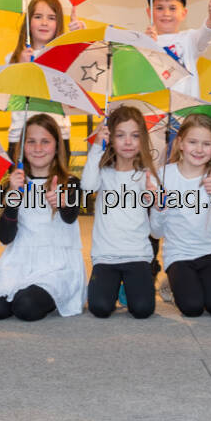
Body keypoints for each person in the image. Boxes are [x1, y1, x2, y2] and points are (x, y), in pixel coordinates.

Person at [144, 0, 211, 285]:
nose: (165, 13)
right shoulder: (143, 40)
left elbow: (205, 38)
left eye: (172, 7)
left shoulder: (189, 39)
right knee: (155, 195)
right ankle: (147, 269)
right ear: (149, 11)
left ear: (184, 12)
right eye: (159, 7)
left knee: (186, 193)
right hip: (154, 121)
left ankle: (185, 262)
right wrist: (146, 48)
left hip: (185, 123)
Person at [0, 114, 85, 321]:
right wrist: (12, 198)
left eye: (45, 142)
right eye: (31, 142)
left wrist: (62, 203)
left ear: (56, 146)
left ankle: (44, 294)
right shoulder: (13, 185)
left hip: (56, 264)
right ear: (21, 147)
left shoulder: (70, 183)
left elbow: (70, 218)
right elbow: (5, 237)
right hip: (19, 259)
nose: (38, 148)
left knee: (26, 306)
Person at [150, 113, 211, 318]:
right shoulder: (163, 175)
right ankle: (171, 282)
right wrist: (160, 208)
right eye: (192, 142)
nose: (199, 149)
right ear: (180, 143)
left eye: (206, 144)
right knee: (192, 307)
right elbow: (155, 231)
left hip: (210, 251)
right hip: (179, 254)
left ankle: (195, 282)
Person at [82, 104, 162, 319]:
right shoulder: (103, 172)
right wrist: (97, 146)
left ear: (142, 140)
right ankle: (115, 285)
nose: (128, 142)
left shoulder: (146, 175)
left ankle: (130, 285)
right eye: (120, 135)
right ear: (111, 138)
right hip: (105, 256)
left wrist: (156, 204)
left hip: (137, 255)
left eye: (135, 136)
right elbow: (88, 186)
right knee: (99, 308)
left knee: (143, 310)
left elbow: (158, 230)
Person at [5, 0, 75, 156]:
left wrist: (75, 40)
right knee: (19, 182)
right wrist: (21, 67)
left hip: (58, 133)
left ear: (58, 23)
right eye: (38, 16)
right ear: (28, 21)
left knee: (57, 182)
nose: (44, 22)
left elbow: (73, 93)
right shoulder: (13, 58)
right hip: (20, 135)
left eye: (51, 17)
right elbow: (9, 97)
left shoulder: (66, 56)